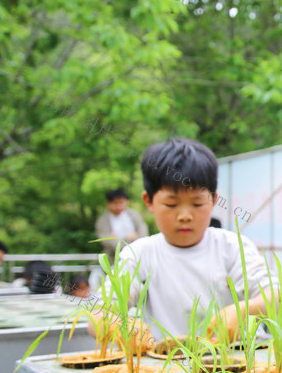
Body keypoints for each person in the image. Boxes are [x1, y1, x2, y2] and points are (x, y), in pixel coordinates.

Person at [91, 138, 271, 343]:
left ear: (213, 200)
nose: (185, 216)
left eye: (197, 203)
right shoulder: (139, 254)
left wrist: (243, 310)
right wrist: (120, 326)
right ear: (149, 201)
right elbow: (97, 317)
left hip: (234, 365)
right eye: (171, 204)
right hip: (167, 367)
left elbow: (274, 297)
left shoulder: (232, 247)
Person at [95, 188, 149, 264]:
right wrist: (129, 238)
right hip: (114, 259)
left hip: (137, 257)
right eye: (115, 203)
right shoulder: (103, 220)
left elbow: (143, 233)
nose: (119, 206)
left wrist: (118, 239)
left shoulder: (133, 215)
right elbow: (106, 241)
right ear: (109, 203)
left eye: (121, 203)